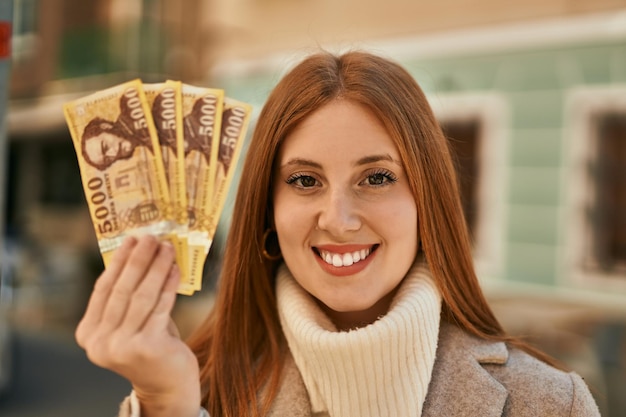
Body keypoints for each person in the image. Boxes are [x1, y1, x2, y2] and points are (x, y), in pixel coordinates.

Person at [75, 50, 600, 417]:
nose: (339, 218)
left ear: (427, 202)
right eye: (305, 181)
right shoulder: (189, 393)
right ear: (267, 214)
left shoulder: (551, 405)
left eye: (377, 178)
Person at [81, 92, 155, 171]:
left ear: (106, 127)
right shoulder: (149, 155)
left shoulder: (128, 105)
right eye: (108, 159)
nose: (114, 154)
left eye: (105, 147)